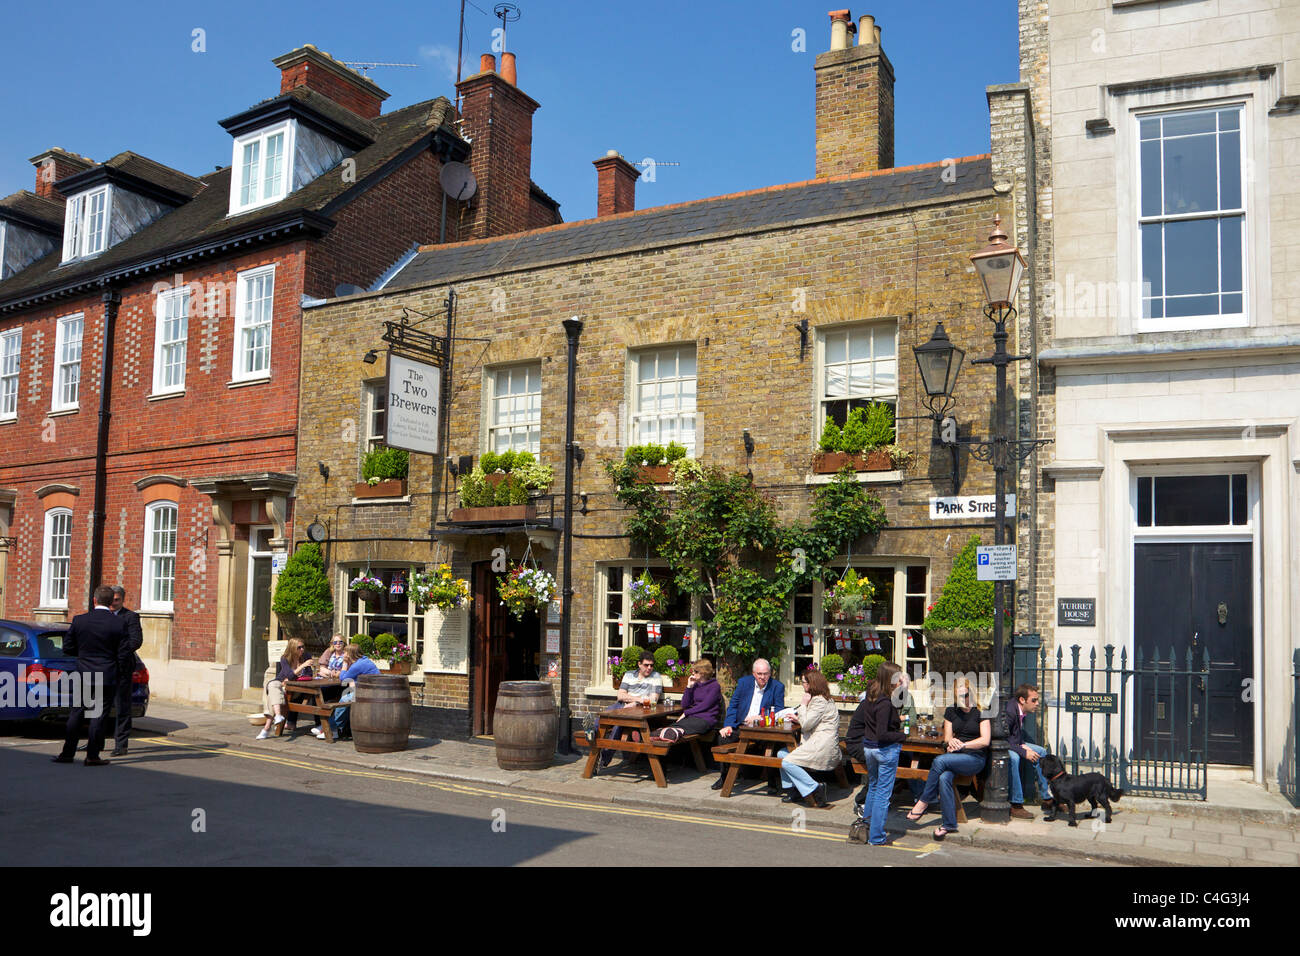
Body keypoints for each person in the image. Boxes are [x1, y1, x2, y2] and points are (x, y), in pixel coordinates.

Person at [53, 586, 129, 766]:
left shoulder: (79, 620)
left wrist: (84, 655)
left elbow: (68, 648)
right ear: (111, 602)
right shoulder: (119, 623)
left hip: (83, 672)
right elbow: (123, 653)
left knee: (77, 712)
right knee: (98, 715)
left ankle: (67, 753)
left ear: (94, 600)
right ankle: (92, 756)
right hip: (106, 673)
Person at [907, 677, 991, 840]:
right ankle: (949, 824)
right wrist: (951, 741)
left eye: (966, 695)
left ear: (971, 693)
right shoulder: (951, 711)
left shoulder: (982, 710)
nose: (963, 700)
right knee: (944, 777)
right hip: (955, 756)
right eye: (959, 697)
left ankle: (924, 800)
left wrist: (963, 745)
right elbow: (946, 739)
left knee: (939, 761)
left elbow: (985, 740)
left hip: (975, 758)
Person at [846, 661, 907, 844]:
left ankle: (866, 827)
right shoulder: (885, 703)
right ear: (891, 679)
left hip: (869, 749)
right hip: (883, 750)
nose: (900, 680)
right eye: (898, 677)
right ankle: (877, 836)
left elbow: (890, 720)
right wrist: (901, 737)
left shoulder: (872, 696)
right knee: (882, 794)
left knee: (873, 787)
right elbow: (883, 733)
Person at [710, 658, 785, 790]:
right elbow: (733, 705)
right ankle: (724, 776)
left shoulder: (777, 687)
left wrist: (760, 718)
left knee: (771, 745)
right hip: (742, 726)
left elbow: (779, 711)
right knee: (723, 738)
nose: (763, 677)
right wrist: (728, 725)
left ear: (770, 673)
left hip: (763, 729)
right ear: (753, 673)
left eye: (765, 674)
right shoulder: (744, 683)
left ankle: (772, 781)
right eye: (759, 674)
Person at [776, 669, 840, 809]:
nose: (802, 686)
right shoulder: (820, 699)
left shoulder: (819, 701)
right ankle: (794, 791)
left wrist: (803, 705)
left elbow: (805, 726)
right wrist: (798, 717)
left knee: (787, 762)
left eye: (804, 682)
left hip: (821, 746)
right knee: (781, 754)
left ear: (812, 684)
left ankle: (815, 787)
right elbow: (811, 721)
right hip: (816, 742)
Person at [599, 651, 663, 768]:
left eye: (651, 665)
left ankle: (603, 760)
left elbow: (653, 700)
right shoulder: (629, 675)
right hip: (621, 704)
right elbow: (620, 696)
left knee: (617, 725)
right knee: (601, 718)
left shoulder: (656, 676)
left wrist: (635, 703)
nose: (649, 668)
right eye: (646, 665)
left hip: (637, 708)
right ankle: (591, 733)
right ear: (639, 664)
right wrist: (638, 699)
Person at [1006, 683, 1054, 817]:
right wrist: (1024, 751)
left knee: (1041, 752)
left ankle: (1047, 798)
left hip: (1014, 742)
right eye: (1034, 700)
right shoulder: (1010, 711)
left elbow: (1015, 736)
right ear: (1022, 700)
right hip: (1003, 745)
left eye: (1037, 700)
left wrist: (1024, 746)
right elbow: (1004, 740)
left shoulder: (1020, 710)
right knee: (1014, 758)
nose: (1037, 703)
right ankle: (1016, 804)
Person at [109, 585, 144, 756]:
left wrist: (116, 654)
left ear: (123, 599)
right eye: (111, 600)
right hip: (102, 668)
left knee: (122, 707)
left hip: (122, 668)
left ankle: (121, 745)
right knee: (98, 707)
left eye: (117, 600)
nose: (113, 603)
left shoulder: (130, 617)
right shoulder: (101, 616)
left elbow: (136, 641)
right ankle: (96, 742)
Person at [258, 638, 315, 739]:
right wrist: (302, 666)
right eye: (299, 647)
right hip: (281, 682)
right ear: (292, 648)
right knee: (272, 685)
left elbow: (308, 674)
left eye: (303, 647)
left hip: (295, 687)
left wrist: (292, 678)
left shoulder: (306, 656)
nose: (302, 649)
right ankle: (278, 715)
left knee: (272, 695)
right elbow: (289, 674)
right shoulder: (285, 658)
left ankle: (267, 727)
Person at [655, 659, 722, 739]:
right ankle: (667, 732)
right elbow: (684, 704)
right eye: (693, 671)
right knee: (676, 726)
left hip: (706, 719)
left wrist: (686, 713)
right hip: (692, 717)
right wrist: (689, 687)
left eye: (696, 671)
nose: (693, 673)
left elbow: (705, 705)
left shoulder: (714, 686)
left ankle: (671, 732)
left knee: (681, 726)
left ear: (703, 673)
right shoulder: (695, 685)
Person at [325, 643, 380, 740]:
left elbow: (344, 678)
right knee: (346, 696)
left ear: (350, 654)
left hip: (369, 693)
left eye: (345, 652)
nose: (343, 654)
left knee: (344, 700)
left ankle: (332, 728)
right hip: (372, 691)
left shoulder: (358, 665)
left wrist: (345, 664)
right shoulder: (364, 660)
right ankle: (335, 727)